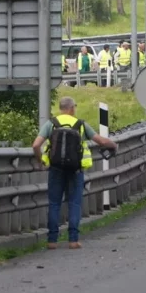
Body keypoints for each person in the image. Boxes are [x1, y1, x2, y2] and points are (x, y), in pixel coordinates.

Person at [31, 97, 118, 249]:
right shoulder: (80, 125)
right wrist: (114, 145)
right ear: (72, 108)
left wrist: (40, 160)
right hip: (76, 170)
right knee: (74, 203)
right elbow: (101, 141)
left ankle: (52, 241)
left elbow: (36, 145)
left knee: (54, 203)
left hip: (56, 169)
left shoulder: (51, 124)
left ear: (60, 108)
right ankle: (73, 240)